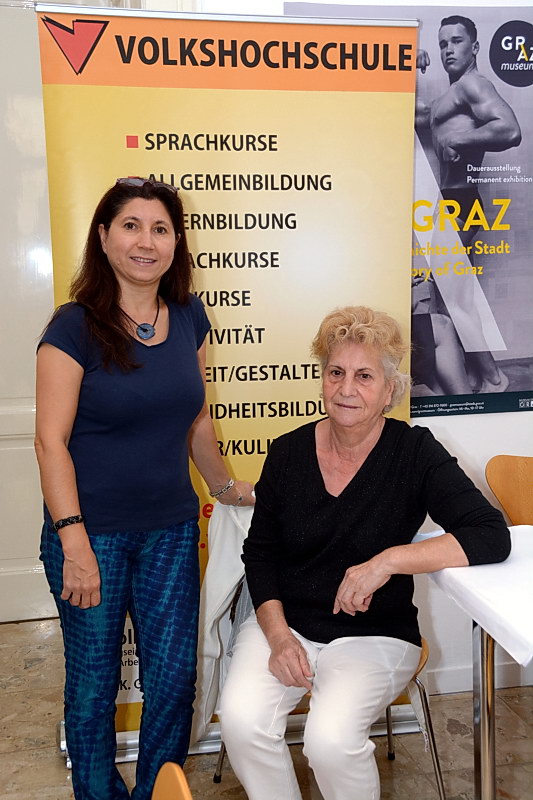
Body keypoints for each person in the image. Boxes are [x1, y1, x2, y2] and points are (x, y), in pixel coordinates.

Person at [219, 306, 510, 800]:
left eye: (364, 376)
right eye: (336, 372)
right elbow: (260, 555)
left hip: (376, 633)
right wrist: (278, 637)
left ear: (389, 390)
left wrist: (387, 561)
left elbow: (489, 534)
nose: (346, 389)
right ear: (322, 379)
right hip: (286, 624)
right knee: (241, 722)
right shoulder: (287, 452)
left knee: (330, 742)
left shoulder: (415, 452)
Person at [34, 177, 254, 800]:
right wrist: (73, 542)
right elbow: (50, 443)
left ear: (176, 243)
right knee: (93, 687)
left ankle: (161, 791)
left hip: (171, 532)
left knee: (174, 681)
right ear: (104, 237)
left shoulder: (189, 317)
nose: (146, 242)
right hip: (91, 536)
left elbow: (197, 418)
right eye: (131, 226)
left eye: (160, 229)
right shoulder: (73, 327)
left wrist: (225, 487)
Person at [415, 15, 521, 394]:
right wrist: (406, 59)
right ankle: (476, 376)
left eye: (457, 41)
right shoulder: (449, 97)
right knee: (453, 299)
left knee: (452, 302)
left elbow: (510, 129)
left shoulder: (474, 85)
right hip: (449, 202)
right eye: (443, 43)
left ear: (474, 47)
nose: (448, 50)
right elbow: (404, 111)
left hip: (460, 202)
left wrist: (459, 141)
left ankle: (493, 378)